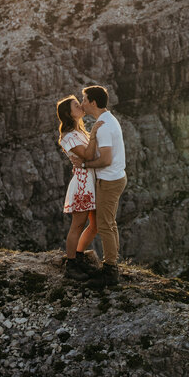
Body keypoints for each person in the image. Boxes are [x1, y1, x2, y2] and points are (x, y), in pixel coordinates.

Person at [70, 85, 126, 285]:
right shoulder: (106, 121)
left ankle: (110, 271)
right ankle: (111, 266)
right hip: (113, 178)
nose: (82, 103)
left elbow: (106, 160)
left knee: (105, 225)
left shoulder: (104, 126)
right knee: (109, 224)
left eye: (84, 99)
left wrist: (84, 164)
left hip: (109, 180)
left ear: (93, 102)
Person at [55, 95, 99, 281]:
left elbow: (88, 157)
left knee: (95, 225)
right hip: (83, 184)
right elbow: (87, 155)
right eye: (76, 105)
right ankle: (71, 264)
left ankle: (78, 256)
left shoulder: (80, 132)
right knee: (78, 224)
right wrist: (97, 132)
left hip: (91, 180)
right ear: (68, 113)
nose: (80, 105)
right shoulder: (69, 136)